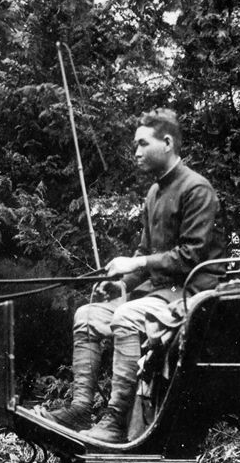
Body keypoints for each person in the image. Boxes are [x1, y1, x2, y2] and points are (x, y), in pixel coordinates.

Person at [40, 108, 226, 444]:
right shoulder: (154, 193)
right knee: (87, 315)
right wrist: (122, 283)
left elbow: (191, 256)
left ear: (167, 142)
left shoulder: (197, 189)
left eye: (143, 143)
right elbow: (143, 253)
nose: (136, 152)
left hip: (192, 296)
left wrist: (135, 267)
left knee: (127, 316)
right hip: (158, 296)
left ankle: (115, 421)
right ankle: (81, 406)